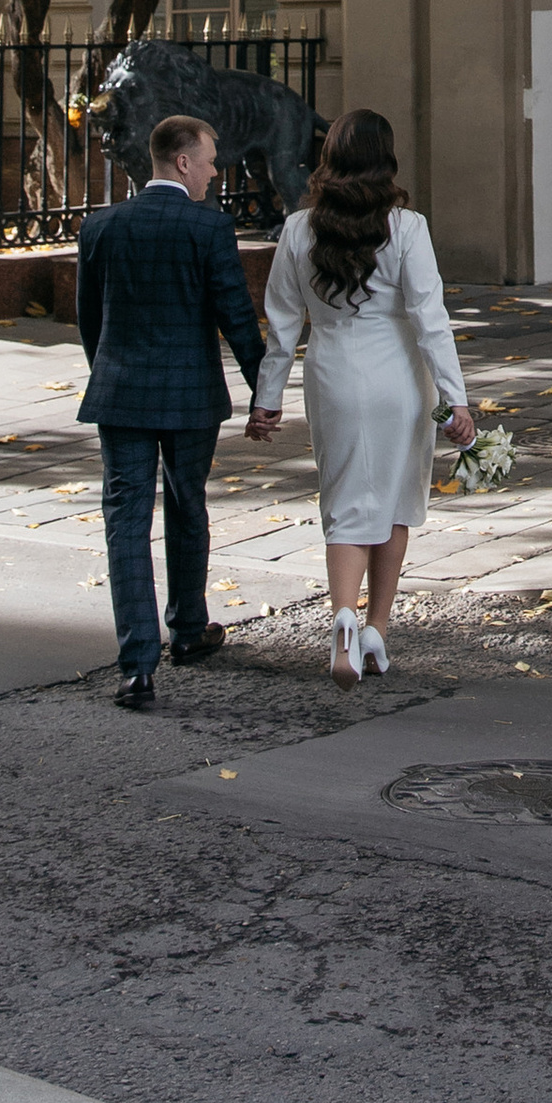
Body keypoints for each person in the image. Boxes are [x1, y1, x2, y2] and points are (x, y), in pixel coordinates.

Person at [247, 107, 475, 683]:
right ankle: (377, 626)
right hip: (398, 376)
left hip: (333, 374)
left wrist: (266, 397)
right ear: (385, 159)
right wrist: (458, 397)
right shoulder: (408, 227)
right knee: (397, 496)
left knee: (345, 497)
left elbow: (281, 319)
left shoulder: (299, 229)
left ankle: (342, 620)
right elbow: (430, 318)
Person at [76, 112, 267, 710]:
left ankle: (137, 663)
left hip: (121, 394)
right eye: (210, 160)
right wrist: (266, 394)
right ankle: (188, 628)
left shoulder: (101, 225)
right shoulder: (208, 227)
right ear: (182, 162)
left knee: (125, 522)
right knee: (188, 506)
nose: (215, 171)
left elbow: (90, 321)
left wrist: (109, 373)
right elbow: (236, 317)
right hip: (190, 398)